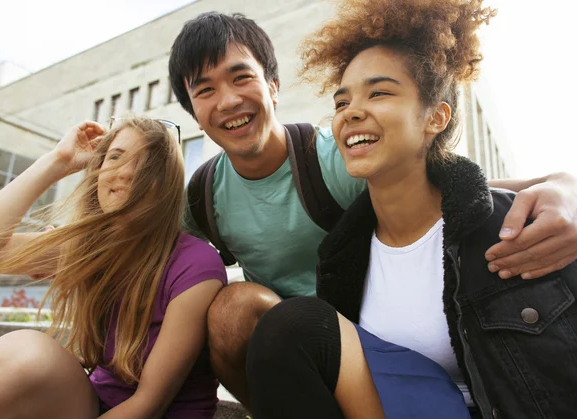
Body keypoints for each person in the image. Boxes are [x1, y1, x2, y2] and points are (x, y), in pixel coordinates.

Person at [167, 11, 577, 407]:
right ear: (194, 113)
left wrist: (562, 186)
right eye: (205, 90)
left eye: (242, 78)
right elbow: (140, 243)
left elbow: (441, 189)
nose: (228, 100)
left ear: (273, 86)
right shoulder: (201, 195)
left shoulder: (337, 158)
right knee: (234, 308)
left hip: (370, 344)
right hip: (292, 352)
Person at [0, 117, 227, 419]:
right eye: (116, 157)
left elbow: (149, 404)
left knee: (29, 351)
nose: (125, 173)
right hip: (92, 404)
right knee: (26, 351)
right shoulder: (87, 246)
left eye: (145, 164)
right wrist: (57, 162)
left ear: (167, 183)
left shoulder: (196, 264)